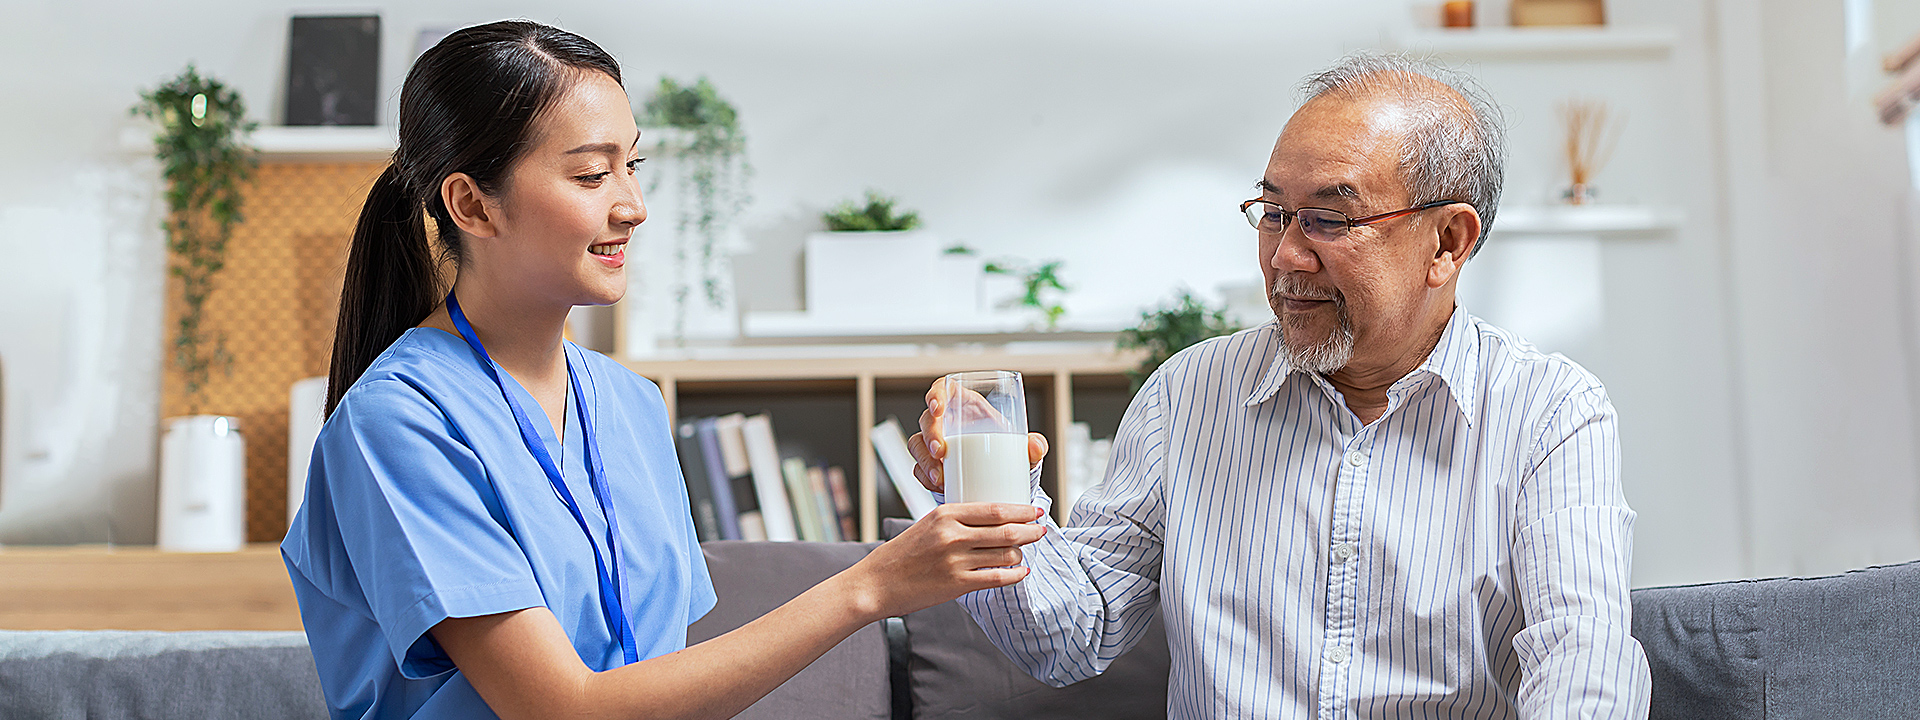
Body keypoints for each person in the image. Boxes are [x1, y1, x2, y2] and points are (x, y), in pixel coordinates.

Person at [280, 21, 1045, 720]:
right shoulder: (399, 424)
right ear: (472, 205)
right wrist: (872, 586)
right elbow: (563, 710)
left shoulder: (631, 405)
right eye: (590, 176)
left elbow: (666, 680)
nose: (633, 206)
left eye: (632, 166)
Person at [910, 53, 1651, 718]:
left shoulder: (1552, 413)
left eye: (1330, 218)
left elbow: (1581, 662)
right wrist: (987, 502)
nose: (1286, 256)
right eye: (1272, 213)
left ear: (1447, 242)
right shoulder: (1187, 396)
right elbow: (1070, 637)